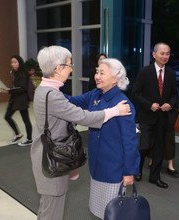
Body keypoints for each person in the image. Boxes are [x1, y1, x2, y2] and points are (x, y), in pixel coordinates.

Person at [30, 46, 132, 220]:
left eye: (102, 72)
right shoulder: (53, 95)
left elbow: (129, 140)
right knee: (51, 212)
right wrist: (113, 111)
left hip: (50, 157)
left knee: (48, 209)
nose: (71, 68)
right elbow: (83, 116)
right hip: (52, 161)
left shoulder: (45, 90)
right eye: (69, 64)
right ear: (58, 68)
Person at [67, 58, 140, 219]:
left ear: (115, 78)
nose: (97, 76)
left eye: (102, 73)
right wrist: (51, 90)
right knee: (97, 210)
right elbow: (71, 101)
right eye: (96, 71)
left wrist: (129, 171)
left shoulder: (123, 104)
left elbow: (130, 142)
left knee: (111, 212)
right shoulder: (95, 94)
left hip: (113, 168)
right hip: (97, 164)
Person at [131, 42, 178, 189]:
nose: (165, 56)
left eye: (168, 53)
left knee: (159, 147)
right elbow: (135, 93)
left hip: (163, 117)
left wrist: (170, 104)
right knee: (145, 145)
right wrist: (149, 105)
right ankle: (137, 169)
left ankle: (154, 177)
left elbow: (174, 94)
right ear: (154, 54)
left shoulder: (170, 73)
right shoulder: (145, 72)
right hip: (146, 116)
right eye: (162, 53)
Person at [1, 55, 33, 146]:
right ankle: (18, 134)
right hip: (14, 98)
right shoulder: (15, 73)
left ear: (20, 62)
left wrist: (9, 90)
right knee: (7, 116)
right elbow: (16, 86)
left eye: (15, 62)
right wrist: (8, 89)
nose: (13, 64)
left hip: (22, 99)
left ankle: (29, 139)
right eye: (12, 62)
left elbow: (23, 88)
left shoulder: (23, 73)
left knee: (25, 119)